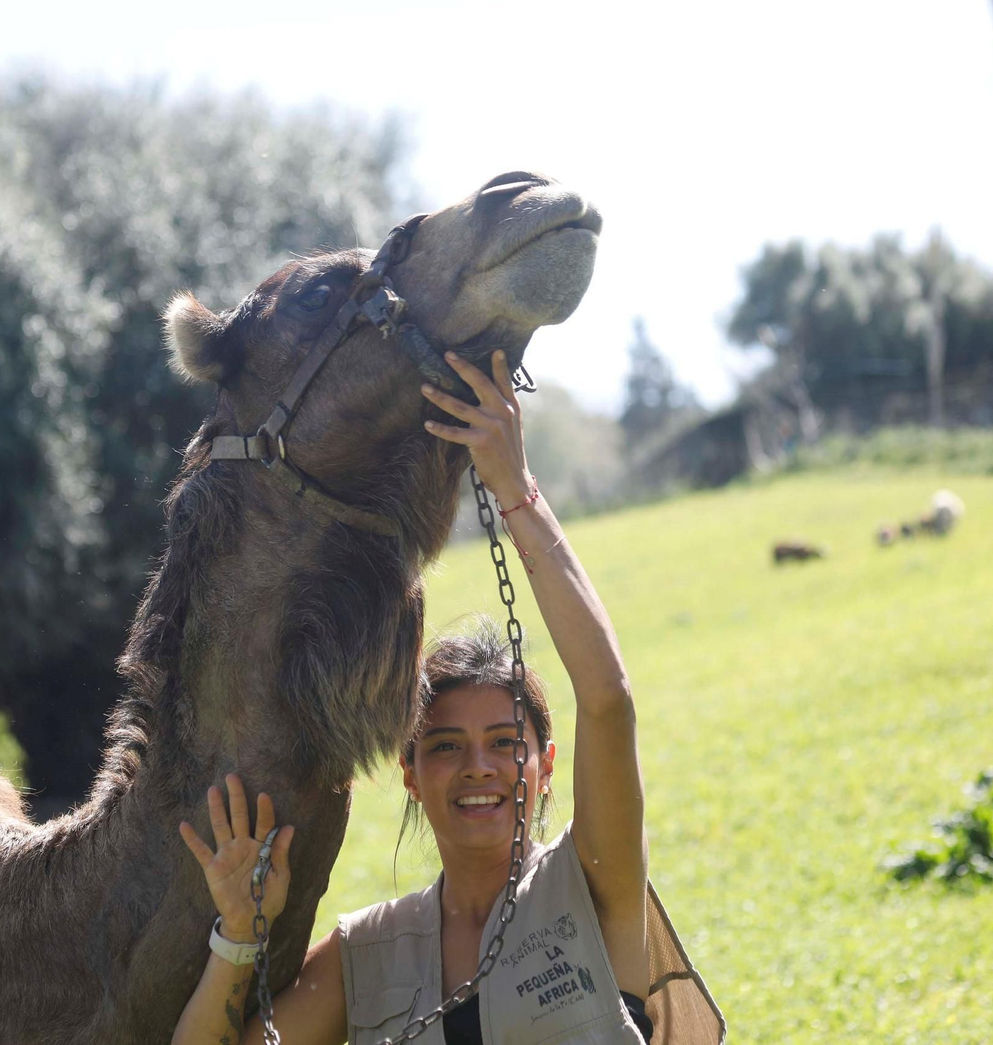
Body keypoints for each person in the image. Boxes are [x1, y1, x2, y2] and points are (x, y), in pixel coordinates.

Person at [173, 351, 722, 1045]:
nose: (478, 768)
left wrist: (514, 488)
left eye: (504, 743)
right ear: (410, 774)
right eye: (444, 746)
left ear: (545, 765)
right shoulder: (368, 952)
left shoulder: (593, 882)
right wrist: (240, 937)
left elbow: (608, 697)